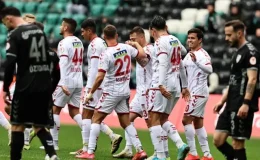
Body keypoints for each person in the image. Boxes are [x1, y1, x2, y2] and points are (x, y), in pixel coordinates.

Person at [0, 6, 58, 160]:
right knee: (39, 126)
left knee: (17, 125)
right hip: (43, 85)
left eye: (5, 23)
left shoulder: (15, 34)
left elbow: (10, 62)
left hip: (25, 85)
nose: (6, 26)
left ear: (9, 18)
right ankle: (52, 155)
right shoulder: (40, 32)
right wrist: (49, 85)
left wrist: (5, 88)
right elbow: (51, 59)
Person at [82, 25, 148, 159]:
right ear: (117, 35)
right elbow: (143, 54)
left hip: (111, 92)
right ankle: (140, 150)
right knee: (126, 123)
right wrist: (136, 44)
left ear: (104, 37)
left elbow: (100, 77)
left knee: (96, 118)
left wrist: (91, 93)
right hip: (124, 91)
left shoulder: (106, 54)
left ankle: (89, 152)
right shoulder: (127, 47)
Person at [73, 18, 122, 157]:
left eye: (83, 31)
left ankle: (86, 148)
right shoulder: (101, 42)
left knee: (86, 116)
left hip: (95, 85)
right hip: (104, 84)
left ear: (89, 30)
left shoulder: (94, 45)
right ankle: (112, 136)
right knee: (95, 116)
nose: (82, 34)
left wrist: (90, 89)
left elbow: (95, 69)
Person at [213, 20, 260, 160]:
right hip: (230, 103)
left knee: (237, 143)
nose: (226, 38)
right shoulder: (237, 52)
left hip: (241, 103)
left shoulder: (250, 53)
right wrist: (222, 101)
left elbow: (252, 79)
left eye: (229, 35)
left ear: (239, 33)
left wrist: (246, 103)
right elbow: (234, 80)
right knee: (218, 140)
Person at [148, 15, 190, 160]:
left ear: (153, 31)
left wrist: (160, 84)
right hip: (175, 85)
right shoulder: (175, 40)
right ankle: (180, 145)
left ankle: (160, 156)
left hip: (161, 85)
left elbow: (163, 63)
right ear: (166, 27)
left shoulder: (159, 42)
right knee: (163, 119)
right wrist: (184, 85)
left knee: (153, 119)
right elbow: (182, 57)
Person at [113, 26, 153, 159]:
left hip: (148, 93)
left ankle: (163, 153)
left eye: (134, 39)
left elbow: (144, 61)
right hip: (140, 92)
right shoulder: (138, 51)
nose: (131, 41)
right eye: (130, 39)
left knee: (152, 124)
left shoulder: (149, 49)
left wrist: (134, 48)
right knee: (127, 120)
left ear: (142, 37)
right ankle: (129, 149)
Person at [48, 18, 84, 151]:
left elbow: (62, 63)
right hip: (78, 80)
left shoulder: (63, 43)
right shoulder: (79, 41)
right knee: (75, 111)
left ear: (66, 28)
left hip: (67, 80)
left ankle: (54, 144)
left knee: (55, 109)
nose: (59, 27)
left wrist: (61, 82)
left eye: (61, 25)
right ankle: (88, 140)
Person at [182, 28, 214, 160]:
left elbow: (210, 69)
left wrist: (197, 62)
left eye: (193, 38)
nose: (189, 40)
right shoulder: (188, 54)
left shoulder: (203, 55)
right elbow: (182, 69)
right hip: (193, 92)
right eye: (188, 38)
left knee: (185, 120)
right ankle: (207, 155)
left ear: (200, 40)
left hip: (199, 92)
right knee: (198, 123)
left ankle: (193, 154)